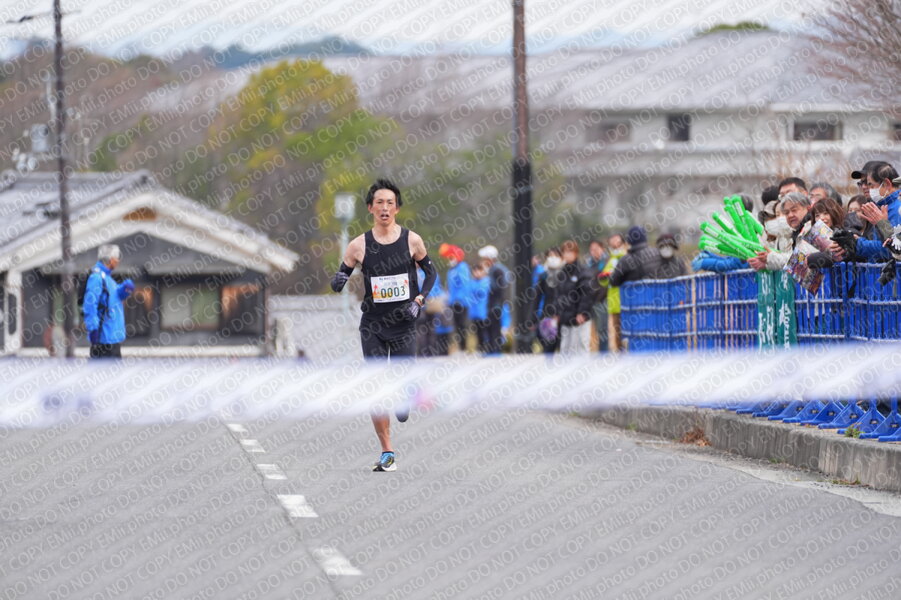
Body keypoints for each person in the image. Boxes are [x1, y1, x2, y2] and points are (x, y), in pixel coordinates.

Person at [330, 178, 437, 472]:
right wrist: (338, 281)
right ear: (370, 208)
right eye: (379, 203)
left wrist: (419, 300)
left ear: (397, 208)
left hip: (404, 323)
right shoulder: (358, 245)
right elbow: (341, 277)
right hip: (373, 326)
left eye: (390, 203)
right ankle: (387, 451)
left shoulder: (412, 240)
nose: (385, 208)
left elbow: (431, 273)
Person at [83, 244, 134, 359]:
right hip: (104, 340)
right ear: (110, 260)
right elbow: (90, 304)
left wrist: (123, 291)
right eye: (117, 258)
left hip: (111, 338)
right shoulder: (97, 277)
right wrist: (93, 330)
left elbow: (112, 299)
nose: (118, 261)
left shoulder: (107, 278)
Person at [478, 245, 511, 355]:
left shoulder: (498, 270)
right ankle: (491, 349)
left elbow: (499, 288)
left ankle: (496, 350)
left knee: (495, 328)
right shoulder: (492, 270)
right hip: (492, 304)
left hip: (496, 304)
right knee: (489, 327)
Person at [438, 244, 471, 353]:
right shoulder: (451, 270)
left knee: (462, 325)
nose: (450, 260)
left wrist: (459, 299)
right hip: (453, 301)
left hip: (461, 302)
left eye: (451, 257)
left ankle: (464, 348)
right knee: (456, 325)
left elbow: (464, 284)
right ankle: (460, 347)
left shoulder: (463, 267)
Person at [601, 233, 627, 351]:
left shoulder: (626, 257)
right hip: (614, 302)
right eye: (612, 241)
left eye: (617, 240)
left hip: (626, 300)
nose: (614, 243)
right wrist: (603, 278)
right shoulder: (611, 259)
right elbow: (604, 280)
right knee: (617, 333)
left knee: (627, 332)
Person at [585, 240, 609, 353]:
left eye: (596, 249)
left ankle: (603, 354)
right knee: (590, 331)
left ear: (602, 249)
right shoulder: (588, 264)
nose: (594, 251)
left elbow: (605, 283)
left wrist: (599, 296)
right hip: (590, 301)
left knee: (603, 330)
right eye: (591, 249)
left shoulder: (606, 262)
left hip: (602, 300)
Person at [468, 264, 491, 352]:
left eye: (479, 271)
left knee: (485, 331)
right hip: (474, 312)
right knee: (477, 331)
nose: (477, 273)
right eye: (475, 271)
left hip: (484, 311)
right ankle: (480, 348)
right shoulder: (472, 283)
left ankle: (487, 347)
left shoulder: (486, 282)